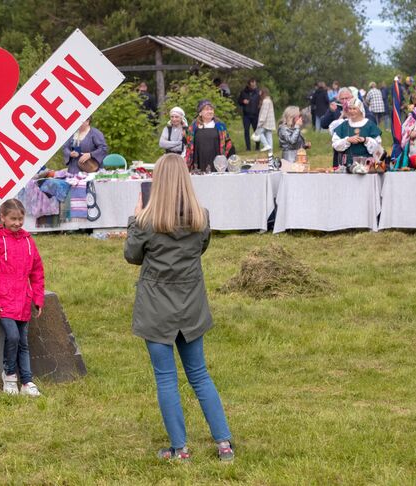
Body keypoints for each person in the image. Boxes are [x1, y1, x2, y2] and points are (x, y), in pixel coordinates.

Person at [124, 153, 233, 463]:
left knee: (166, 379)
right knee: (199, 375)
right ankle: (223, 443)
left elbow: (132, 255)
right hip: (191, 307)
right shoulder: (202, 218)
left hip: (157, 309)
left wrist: (135, 219)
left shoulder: (146, 222)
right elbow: (201, 248)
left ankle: (179, 449)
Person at [0, 198, 45, 397]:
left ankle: (27, 381)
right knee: (13, 336)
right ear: (2, 218)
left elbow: (37, 271)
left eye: (20, 218)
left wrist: (38, 298)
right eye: (13, 219)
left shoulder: (29, 241)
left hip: (23, 301)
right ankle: (9, 375)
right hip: (3, 301)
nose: (17, 223)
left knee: (23, 342)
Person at [184, 99, 235, 172]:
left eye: (211, 109)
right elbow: (189, 147)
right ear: (200, 113)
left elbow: (228, 144)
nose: (210, 111)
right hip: (199, 162)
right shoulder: (193, 127)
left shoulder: (220, 126)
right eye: (206, 109)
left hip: (217, 163)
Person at [332, 97, 383, 166]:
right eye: (350, 109)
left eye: (354, 109)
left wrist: (366, 140)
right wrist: (348, 140)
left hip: (368, 165)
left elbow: (378, 148)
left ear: (360, 110)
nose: (351, 111)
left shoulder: (369, 125)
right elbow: (335, 144)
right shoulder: (344, 125)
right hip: (347, 165)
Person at [237, 78, 260, 150]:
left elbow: (262, 101)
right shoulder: (243, 92)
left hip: (256, 114)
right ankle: (248, 147)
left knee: (256, 131)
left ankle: (257, 147)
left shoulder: (258, 92)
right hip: (246, 115)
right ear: (248, 85)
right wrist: (243, 101)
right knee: (246, 131)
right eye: (252, 85)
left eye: (255, 85)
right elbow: (239, 101)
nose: (254, 86)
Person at [255, 87, 276, 152]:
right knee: (269, 136)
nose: (259, 94)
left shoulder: (266, 101)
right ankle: (270, 152)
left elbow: (264, 113)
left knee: (257, 133)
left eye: (260, 92)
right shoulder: (269, 100)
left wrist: (260, 123)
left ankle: (266, 145)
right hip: (269, 123)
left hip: (265, 123)